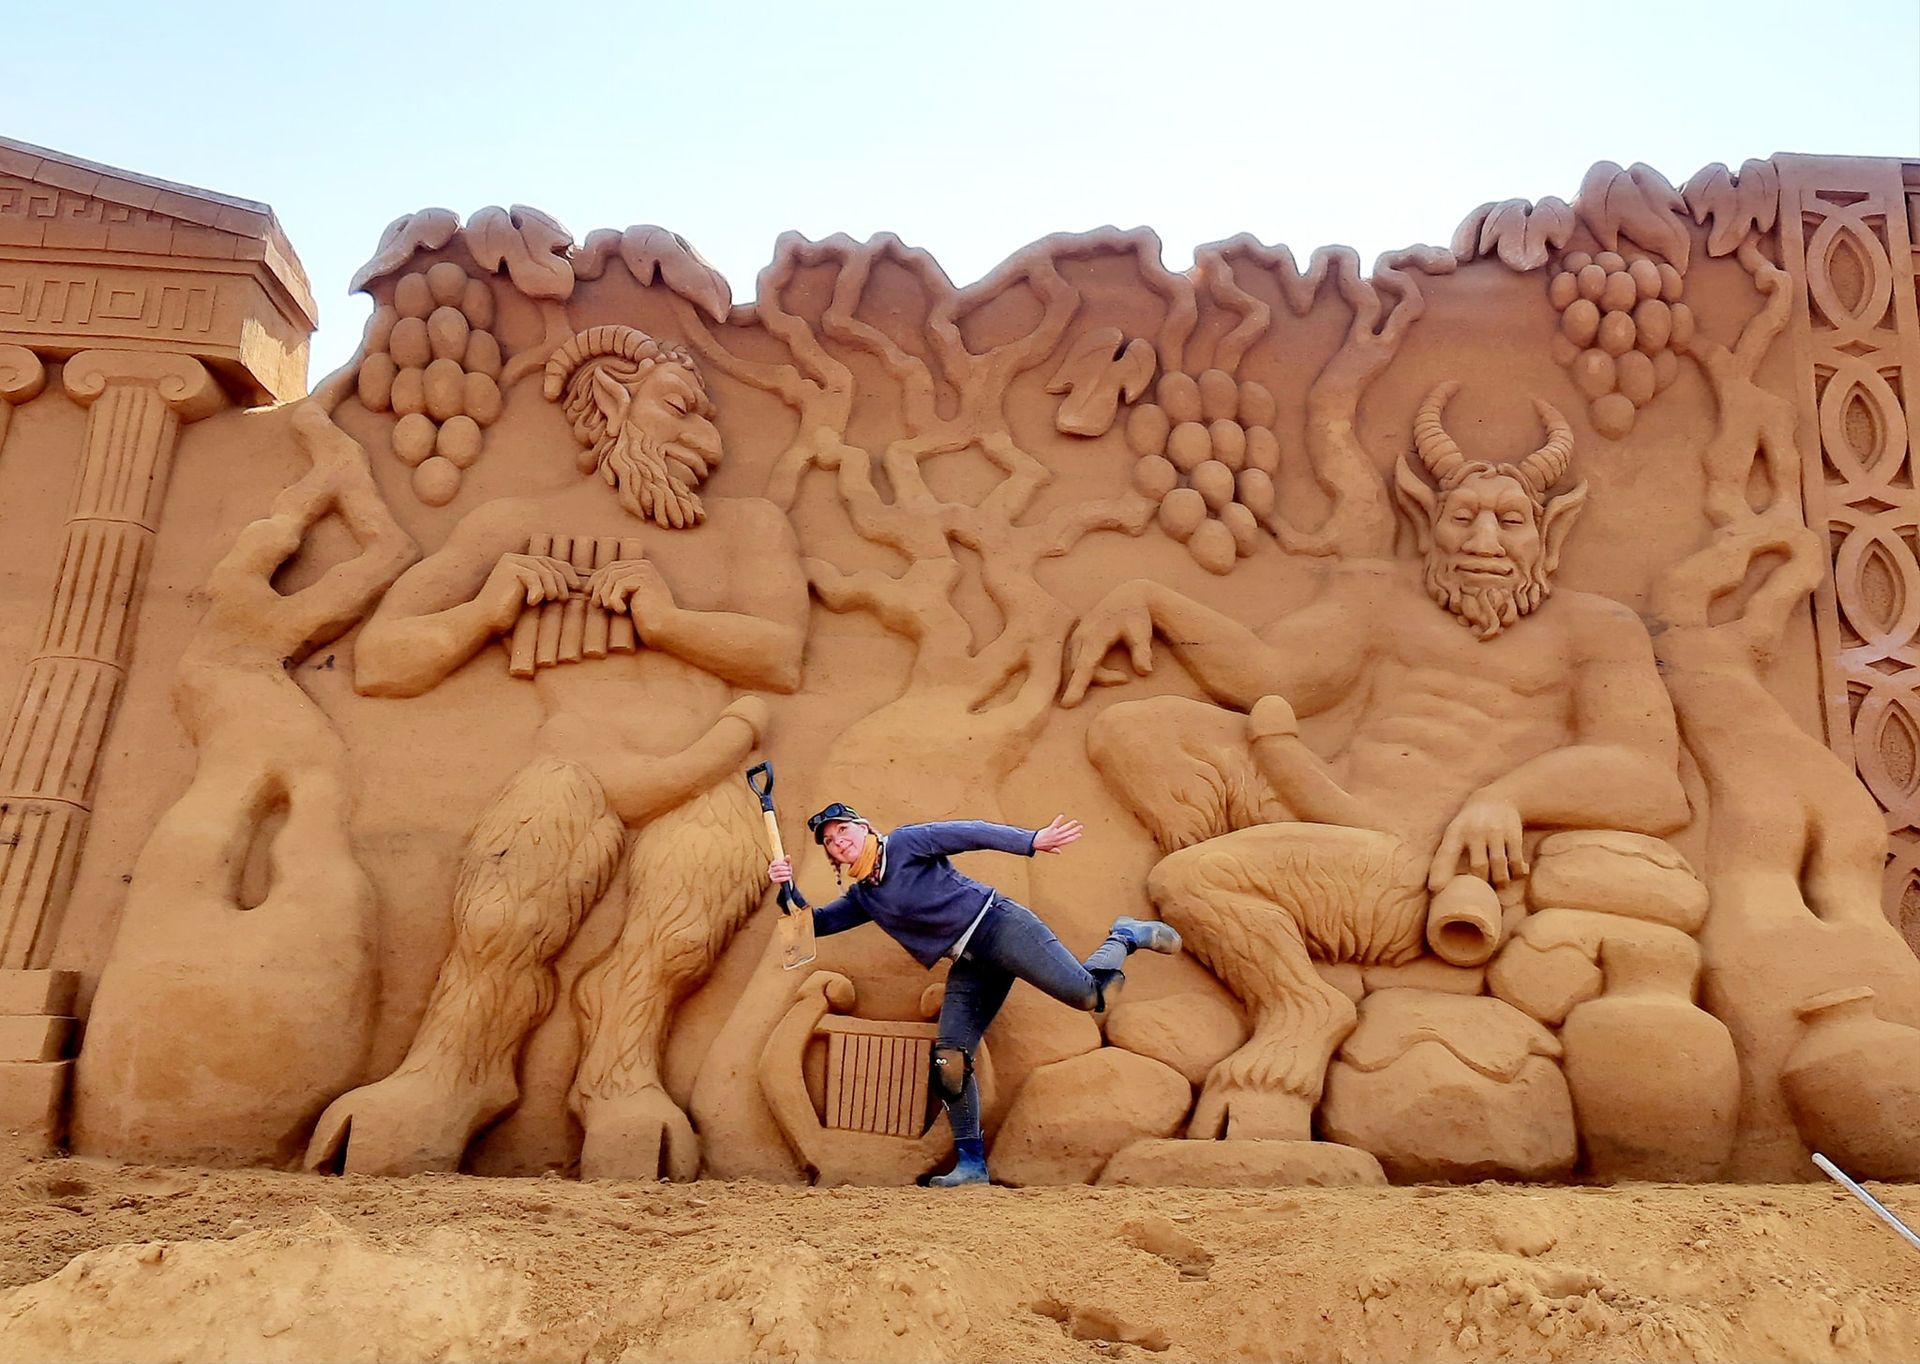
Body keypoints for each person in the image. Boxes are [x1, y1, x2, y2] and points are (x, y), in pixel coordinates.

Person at [767, 802, 1182, 1187]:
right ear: (833, 857)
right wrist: (787, 890)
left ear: (864, 827)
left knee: (1091, 996)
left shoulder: (907, 843)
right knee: (949, 1058)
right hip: (970, 961)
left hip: (999, 926)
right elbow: (814, 926)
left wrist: (1031, 841)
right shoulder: (866, 897)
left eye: (843, 830)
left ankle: (1125, 935)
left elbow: (971, 833)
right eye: (831, 842)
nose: (839, 841)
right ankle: (971, 1165)